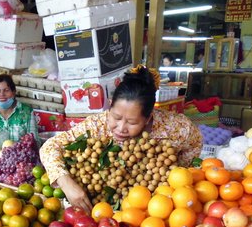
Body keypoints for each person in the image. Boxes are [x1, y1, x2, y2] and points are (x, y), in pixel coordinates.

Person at [39, 66, 203, 213]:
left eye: (132, 122)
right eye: (116, 117)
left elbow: (195, 143)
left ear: (148, 118)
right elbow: (50, 146)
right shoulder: (97, 125)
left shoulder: (177, 128)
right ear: (110, 105)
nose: (120, 127)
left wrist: (177, 173)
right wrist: (66, 183)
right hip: (106, 211)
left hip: (158, 210)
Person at [0, 74, 39, 148]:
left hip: (21, 158)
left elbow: (35, 142)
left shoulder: (26, 111)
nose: (2, 94)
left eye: (6, 90)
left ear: (13, 92)